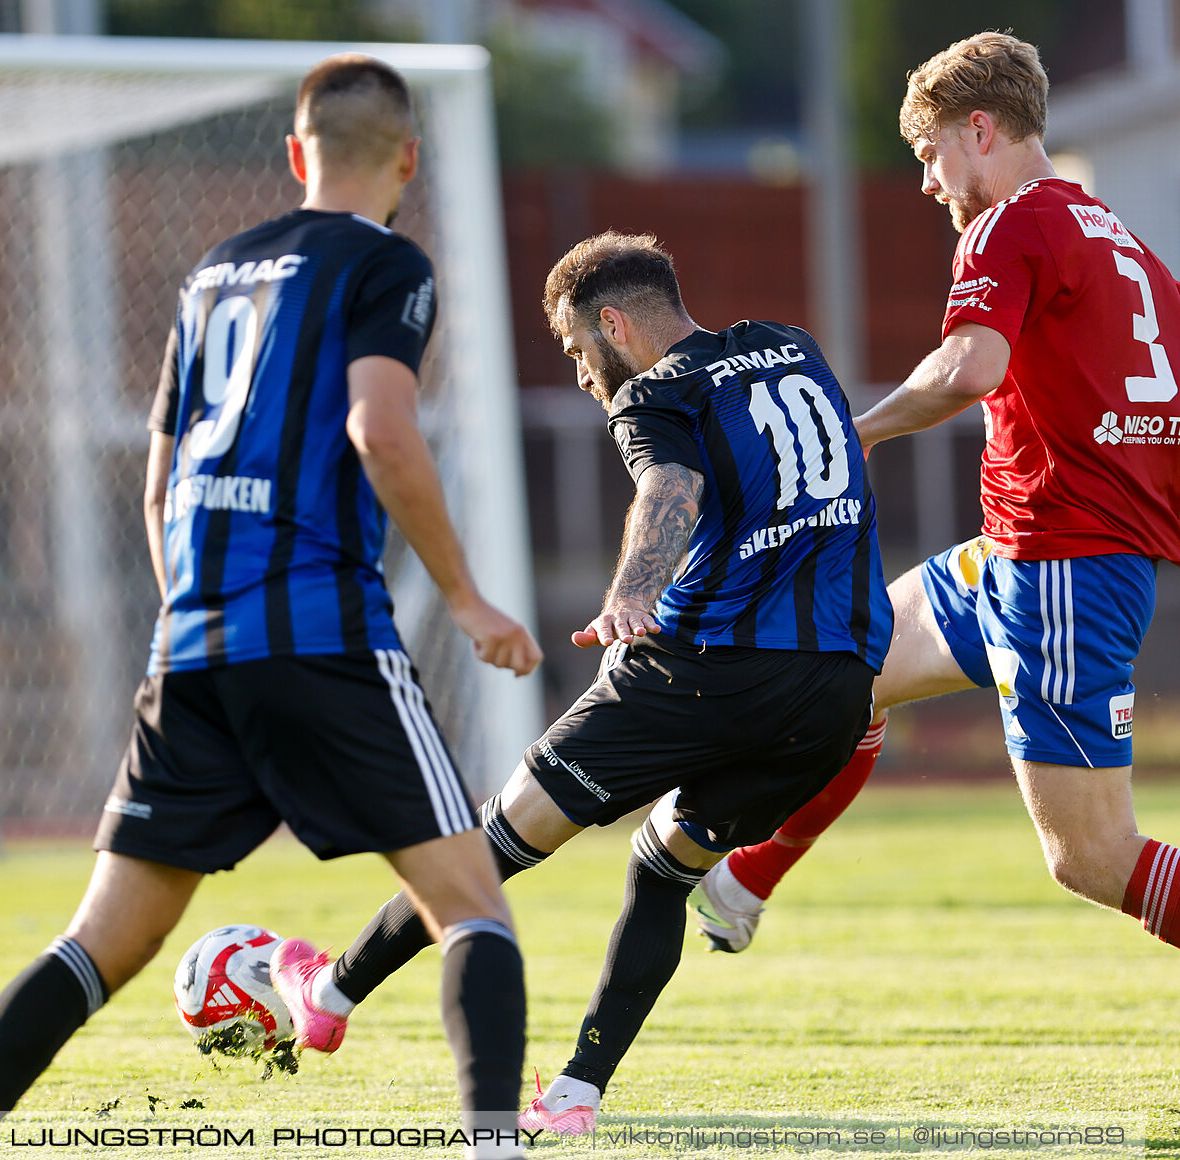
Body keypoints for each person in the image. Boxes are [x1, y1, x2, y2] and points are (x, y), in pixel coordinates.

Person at [688, 32, 1180, 1112]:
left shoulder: (1004, 225)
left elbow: (968, 370)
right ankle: (746, 879)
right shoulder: (1117, 237)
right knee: (846, 663)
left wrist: (855, 429)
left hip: (1065, 570)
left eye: (931, 153)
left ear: (982, 130)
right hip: (1021, 553)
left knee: (1091, 856)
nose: (928, 182)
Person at [0, 55, 541, 1160]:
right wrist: (467, 595)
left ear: (297, 155)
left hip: (193, 641)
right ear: (406, 159)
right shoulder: (387, 262)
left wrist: (196, 616)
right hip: (322, 634)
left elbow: (158, 483)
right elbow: (379, 430)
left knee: (102, 940)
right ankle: (496, 1145)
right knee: (473, 907)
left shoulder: (213, 272)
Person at [266, 232, 890, 1138]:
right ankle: (575, 1096)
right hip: (835, 692)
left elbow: (667, 485)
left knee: (489, 845)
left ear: (613, 324)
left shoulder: (655, 392)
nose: (581, 375)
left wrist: (634, 594)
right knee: (663, 867)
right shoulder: (793, 346)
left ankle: (326, 995)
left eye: (574, 350)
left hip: (706, 670)